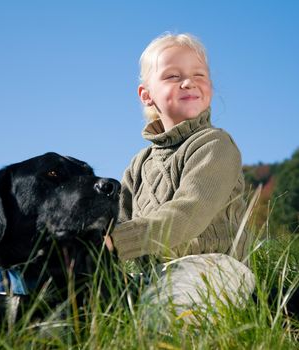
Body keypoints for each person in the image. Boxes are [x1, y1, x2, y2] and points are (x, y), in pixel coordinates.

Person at [110, 33, 255, 322]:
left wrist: (114, 242)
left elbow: (188, 214)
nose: (188, 82)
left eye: (199, 74)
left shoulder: (214, 145)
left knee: (166, 317)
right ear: (146, 94)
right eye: (173, 76)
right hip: (154, 276)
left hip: (216, 267)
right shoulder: (138, 165)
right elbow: (117, 220)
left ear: (210, 86)